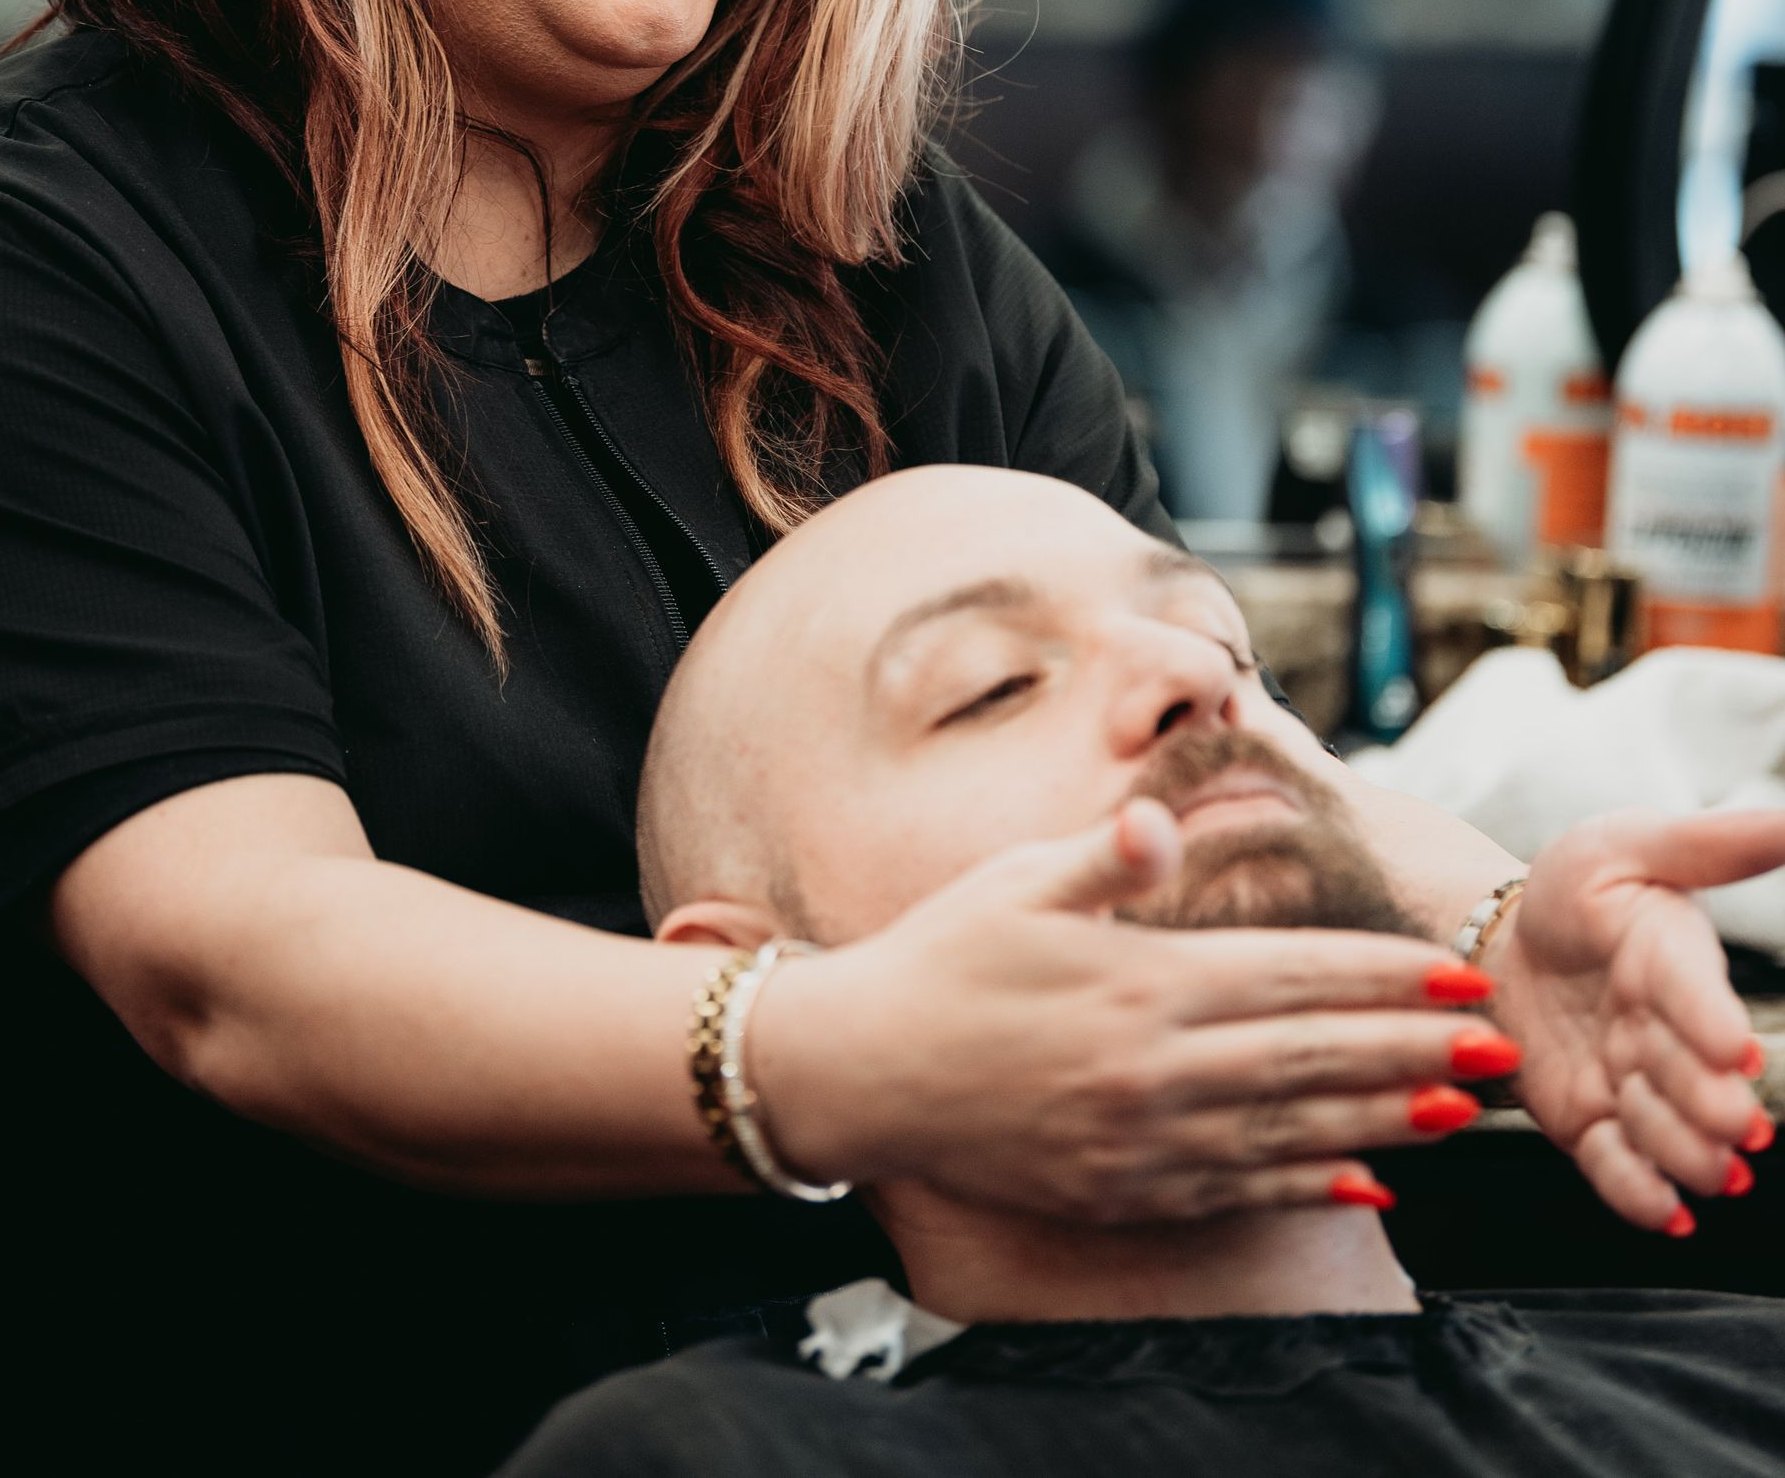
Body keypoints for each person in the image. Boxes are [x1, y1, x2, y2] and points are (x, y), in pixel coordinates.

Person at [0, 0, 1753, 1478]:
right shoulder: (15, 274)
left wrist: (1479, 929)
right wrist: (829, 1057)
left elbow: (1203, 740)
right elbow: (243, 962)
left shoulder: (865, 260)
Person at [507, 465, 1785, 1475]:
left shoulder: (1740, 1373)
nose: (1195, 680)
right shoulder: (717, 1458)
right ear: (757, 973)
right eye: (993, 686)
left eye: (1231, 653)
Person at [1046, 0, 1368, 521]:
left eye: (1310, 100)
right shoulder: (1050, 295)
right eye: (1246, 90)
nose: (1275, 135)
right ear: (1168, 97)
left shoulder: (1392, 317)